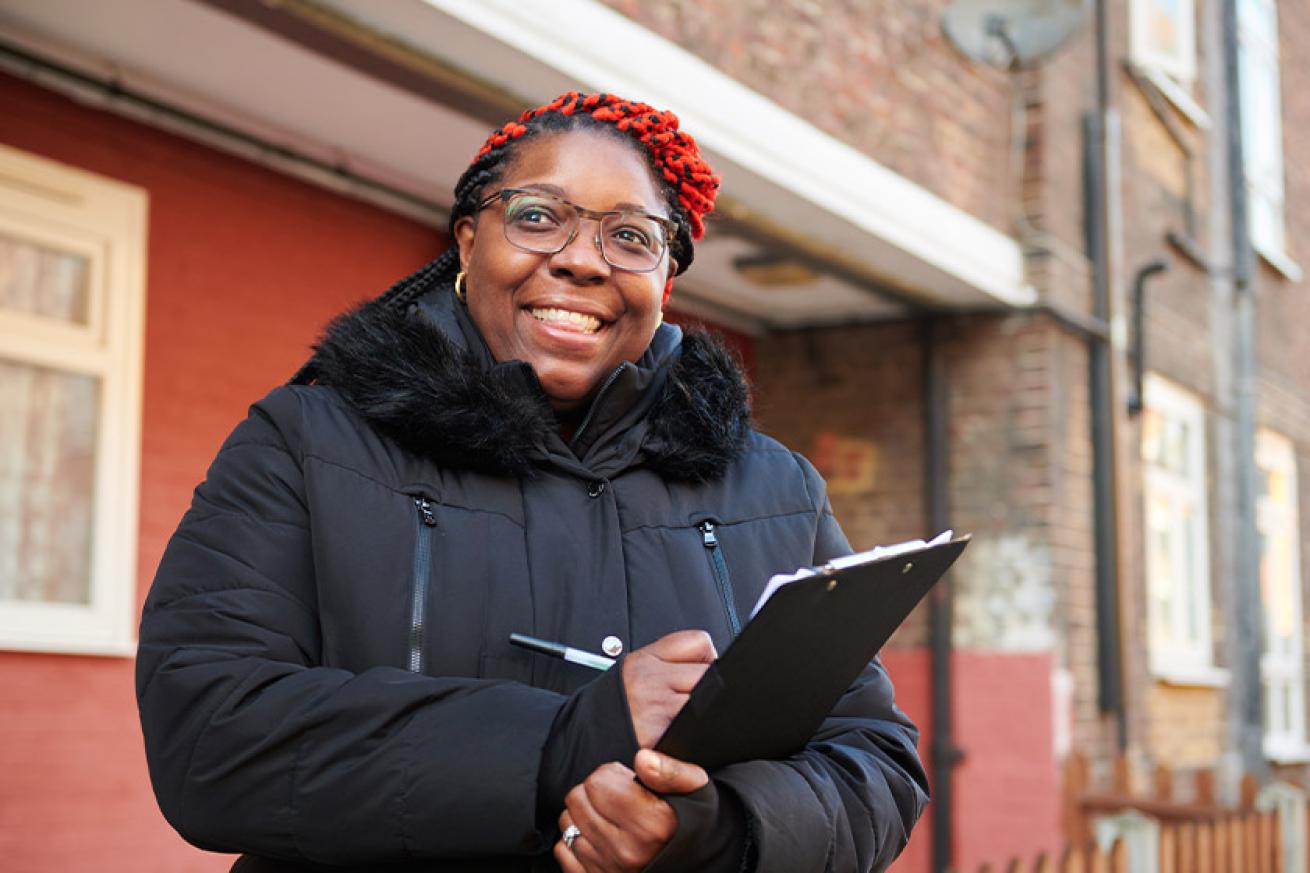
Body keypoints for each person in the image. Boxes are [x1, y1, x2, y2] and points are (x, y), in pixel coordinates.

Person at [136, 91, 929, 873]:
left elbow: (877, 763)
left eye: (629, 235)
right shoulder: (306, 441)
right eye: (538, 216)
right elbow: (210, 736)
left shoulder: (776, 489)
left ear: (666, 280)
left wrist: (717, 830)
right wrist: (568, 741)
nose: (583, 259)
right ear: (469, 240)